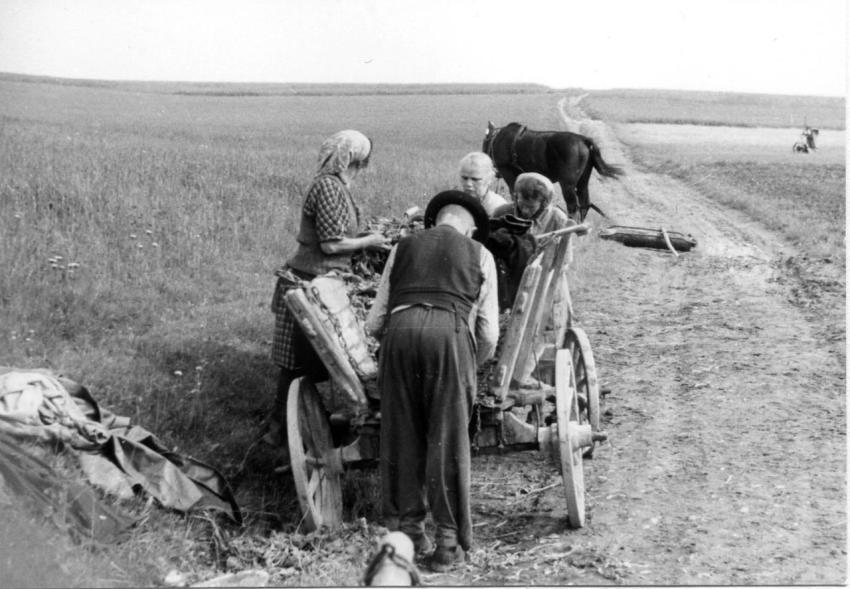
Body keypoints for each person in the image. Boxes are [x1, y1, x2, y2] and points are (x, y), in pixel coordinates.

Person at [365, 190, 499, 573]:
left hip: (399, 337)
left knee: (402, 435)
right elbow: (488, 332)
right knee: (447, 438)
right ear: (470, 227)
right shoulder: (480, 255)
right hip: (449, 339)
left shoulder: (402, 248)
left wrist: (396, 342)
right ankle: (447, 544)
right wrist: (471, 363)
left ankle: (407, 533)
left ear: (436, 220)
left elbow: (375, 321)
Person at [267, 130, 389, 448]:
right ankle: (282, 431)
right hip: (308, 283)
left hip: (317, 281)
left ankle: (296, 425)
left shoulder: (332, 185)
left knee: (308, 362)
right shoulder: (329, 188)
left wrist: (363, 238)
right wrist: (371, 241)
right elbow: (332, 244)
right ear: (356, 162)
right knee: (297, 363)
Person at [458, 152, 508, 216]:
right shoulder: (454, 204)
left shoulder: (498, 208)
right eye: (464, 178)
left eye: (475, 179)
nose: (468, 184)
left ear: (489, 180)